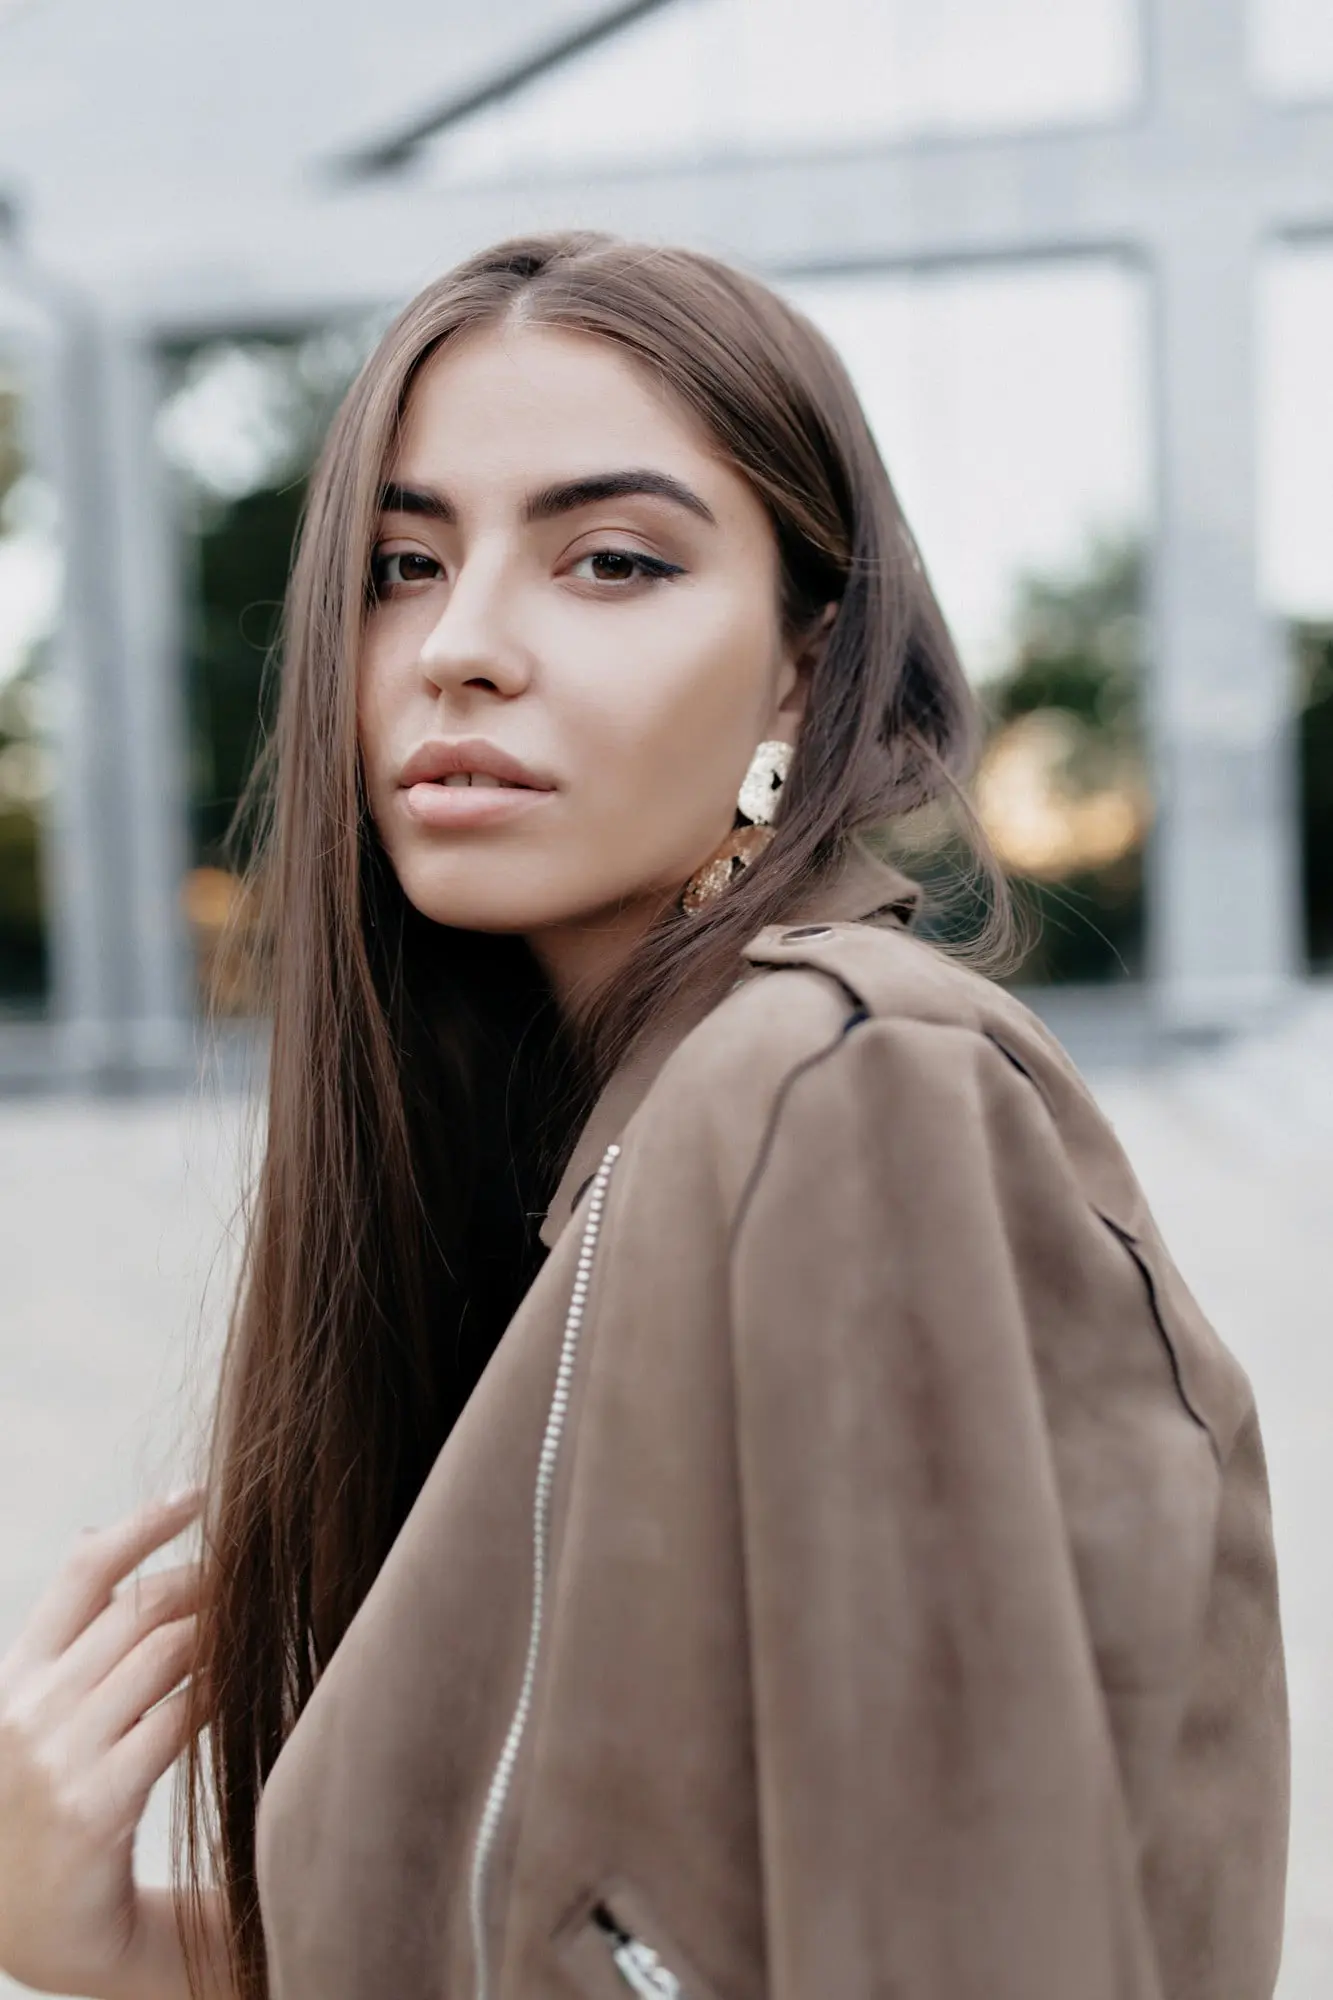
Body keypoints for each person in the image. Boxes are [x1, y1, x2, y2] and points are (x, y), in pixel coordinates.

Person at [0, 233, 1287, 2000]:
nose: (458, 647)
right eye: (402, 563)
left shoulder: (843, 1087)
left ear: (798, 672)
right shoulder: (626, 1149)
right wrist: (119, 1943)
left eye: (611, 560)